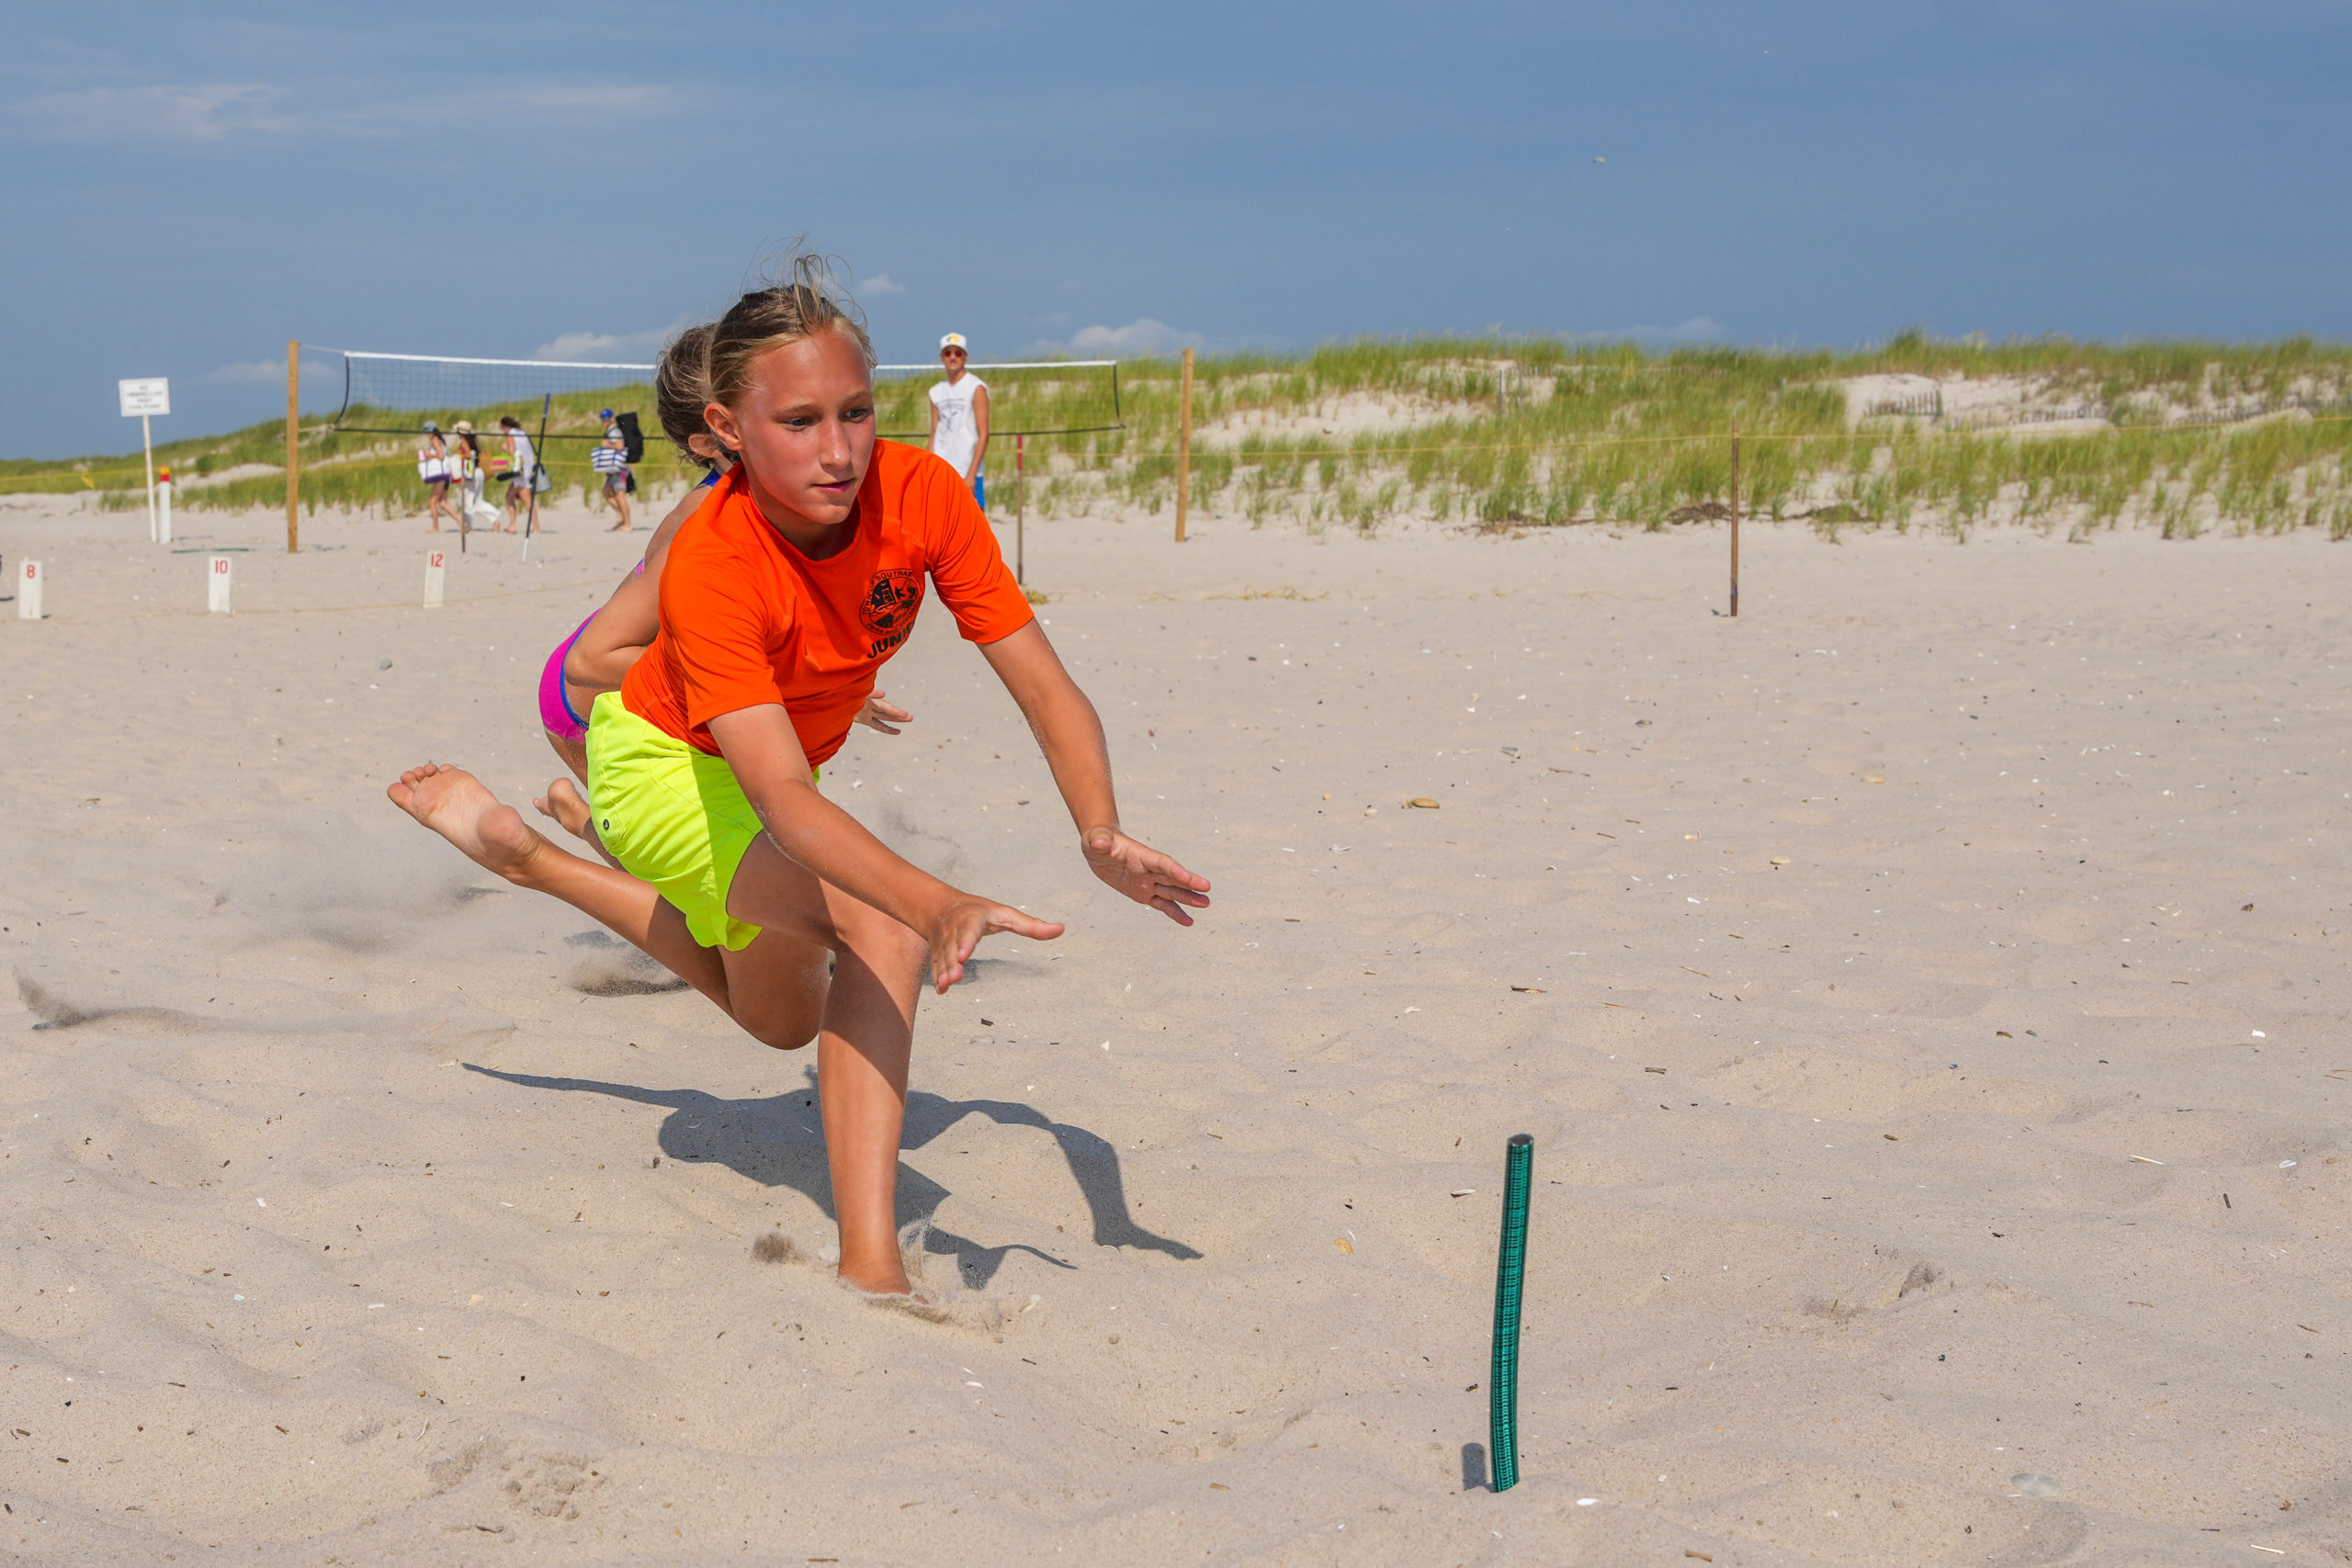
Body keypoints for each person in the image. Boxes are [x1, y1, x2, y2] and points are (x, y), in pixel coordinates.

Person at [390, 262, 1207, 1297]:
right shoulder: (709, 553)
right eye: (801, 421)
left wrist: (1100, 830)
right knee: (885, 927)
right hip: (660, 766)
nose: (838, 449)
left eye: (857, 412)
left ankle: (531, 860)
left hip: (772, 761)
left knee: (778, 1020)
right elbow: (773, 796)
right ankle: (873, 1269)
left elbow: (1044, 685)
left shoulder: (923, 495)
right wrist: (936, 902)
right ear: (726, 429)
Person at [926, 333, 989, 509]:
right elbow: (934, 431)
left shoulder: (976, 387)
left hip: (967, 471)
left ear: (965, 356)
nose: (953, 357)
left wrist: (971, 475)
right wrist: (929, 467)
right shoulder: (936, 391)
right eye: (948, 353)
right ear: (942, 357)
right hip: (942, 471)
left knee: (974, 528)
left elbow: (984, 435)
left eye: (958, 353)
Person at [592, 406, 635, 532]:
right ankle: (621, 516)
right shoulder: (610, 431)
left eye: (606, 417)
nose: (604, 420)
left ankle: (628, 524)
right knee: (606, 491)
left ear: (612, 418)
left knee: (620, 496)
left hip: (619, 470)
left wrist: (606, 444)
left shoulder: (614, 431)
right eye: (602, 418)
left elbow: (619, 446)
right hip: (612, 471)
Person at [498, 414, 537, 533]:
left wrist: (506, 447)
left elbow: (512, 452)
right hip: (528, 468)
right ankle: (512, 526)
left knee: (526, 500)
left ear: (505, 426)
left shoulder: (511, 434)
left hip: (520, 470)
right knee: (510, 496)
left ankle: (535, 528)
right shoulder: (522, 433)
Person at [417, 423, 458, 533]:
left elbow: (441, 456)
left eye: (428, 431)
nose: (427, 434)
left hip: (440, 476)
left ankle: (435, 528)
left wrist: (429, 455)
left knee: (432, 502)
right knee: (443, 503)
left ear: (434, 430)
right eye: (425, 431)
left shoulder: (435, 440)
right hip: (446, 475)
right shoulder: (440, 440)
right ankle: (462, 523)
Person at [449, 420, 486, 534]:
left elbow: (469, 455)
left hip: (470, 472)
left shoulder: (465, 442)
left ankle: (468, 525)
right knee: (469, 500)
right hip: (475, 471)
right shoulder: (470, 441)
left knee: (466, 501)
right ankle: (468, 524)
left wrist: (460, 453)